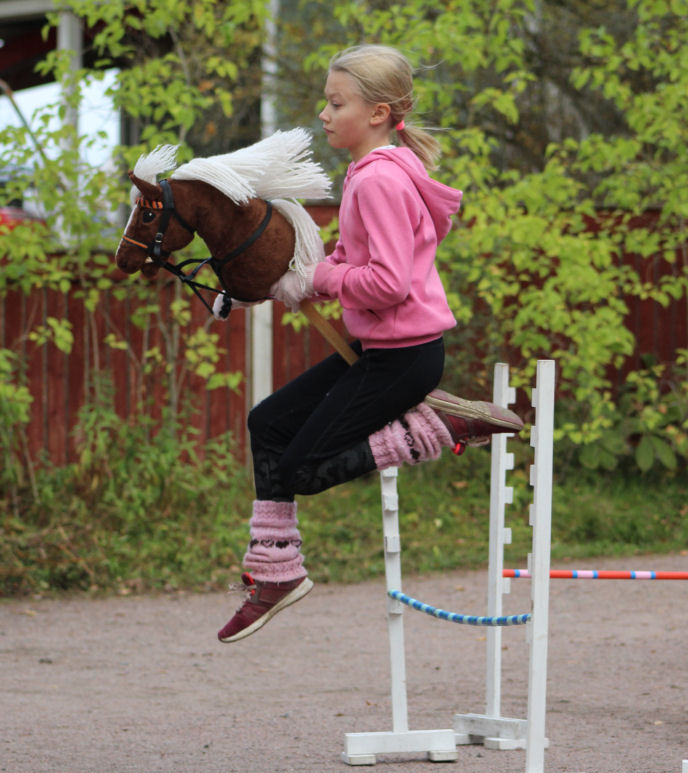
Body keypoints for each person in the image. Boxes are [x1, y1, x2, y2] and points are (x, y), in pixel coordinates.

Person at [217, 45, 522, 643]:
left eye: (337, 103)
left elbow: (386, 284)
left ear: (379, 112)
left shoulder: (380, 180)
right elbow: (354, 258)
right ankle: (275, 573)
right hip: (385, 353)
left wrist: (323, 279)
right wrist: (288, 279)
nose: (324, 114)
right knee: (268, 425)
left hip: (404, 360)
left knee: (301, 468)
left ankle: (438, 427)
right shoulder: (370, 173)